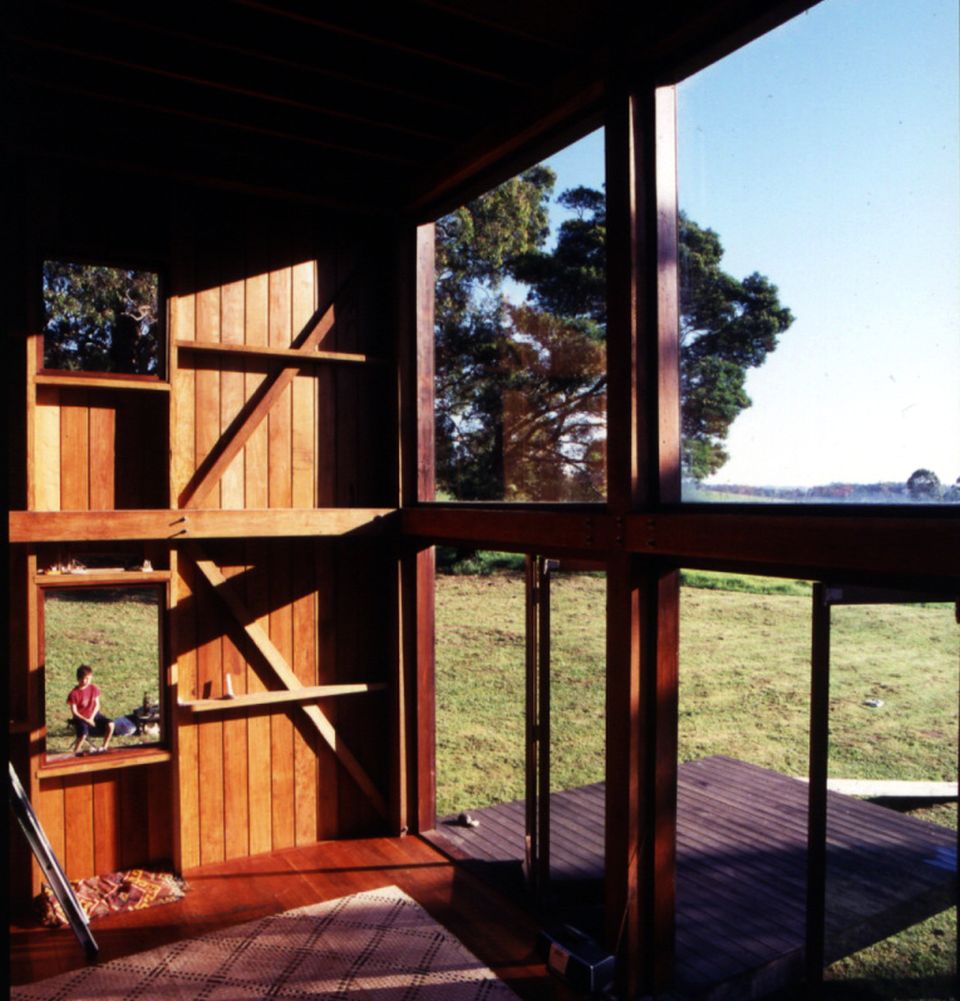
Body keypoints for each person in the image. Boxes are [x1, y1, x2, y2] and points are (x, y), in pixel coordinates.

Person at [66, 664, 114, 755]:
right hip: (81, 718)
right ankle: (76, 751)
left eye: (89, 678)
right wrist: (87, 720)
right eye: (86, 678)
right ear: (79, 679)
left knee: (111, 724)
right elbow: (75, 712)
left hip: (93, 715)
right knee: (83, 735)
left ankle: (104, 746)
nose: (88, 681)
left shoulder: (93, 688)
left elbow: (97, 705)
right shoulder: (74, 694)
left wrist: (91, 718)